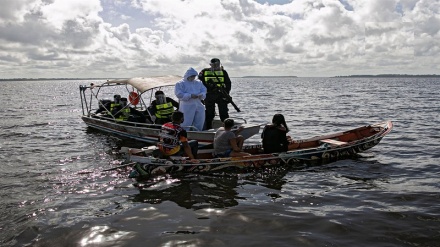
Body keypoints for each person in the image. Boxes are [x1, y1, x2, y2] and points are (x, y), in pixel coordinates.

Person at [198, 58, 232, 130]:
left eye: (217, 65)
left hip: (221, 94)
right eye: (213, 65)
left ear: (219, 64)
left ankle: (226, 128)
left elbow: (228, 83)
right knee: (209, 113)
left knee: (223, 113)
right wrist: (209, 86)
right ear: (210, 65)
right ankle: (208, 128)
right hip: (209, 94)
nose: (215, 66)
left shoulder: (223, 72)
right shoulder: (205, 71)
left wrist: (226, 93)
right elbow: (200, 78)